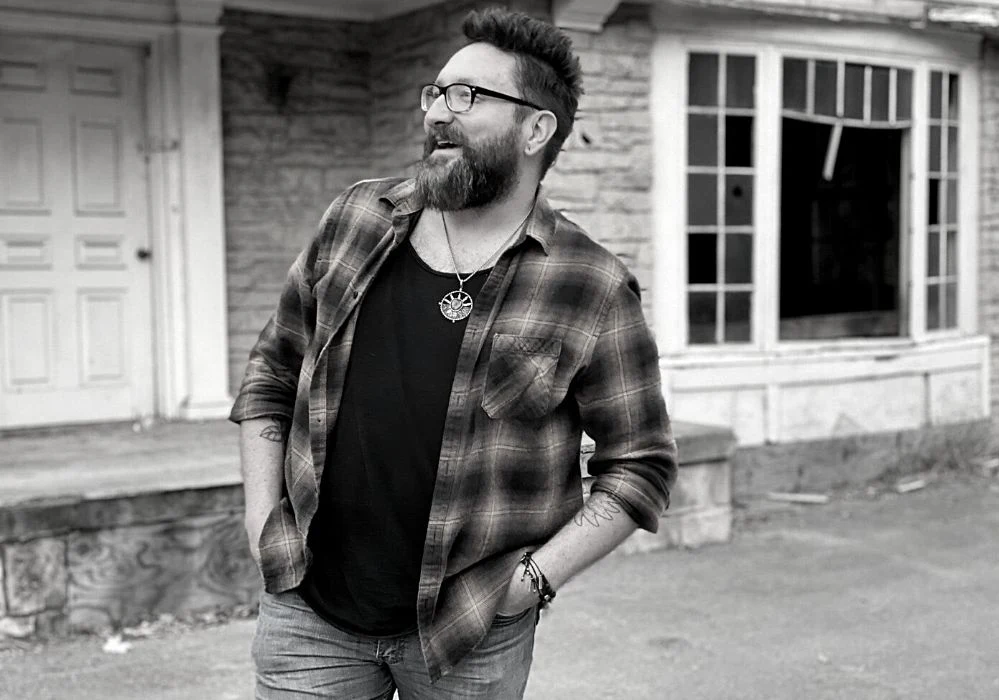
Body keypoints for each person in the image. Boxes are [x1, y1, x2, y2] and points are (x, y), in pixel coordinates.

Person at [230, 7, 678, 698]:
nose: (439, 112)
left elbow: (640, 465)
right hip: (309, 611)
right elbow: (273, 368)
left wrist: (532, 581)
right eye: (435, 93)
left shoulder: (589, 283)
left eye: (468, 96)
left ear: (536, 129)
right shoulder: (357, 218)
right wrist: (262, 518)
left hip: (471, 629)